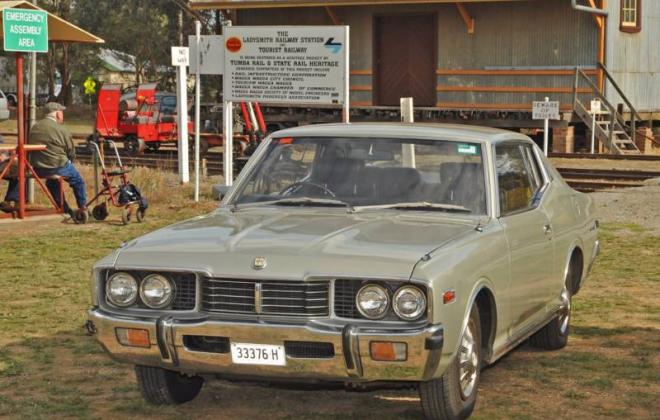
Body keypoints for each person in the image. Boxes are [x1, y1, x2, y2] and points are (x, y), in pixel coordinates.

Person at [29, 102, 87, 217]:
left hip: (38, 168)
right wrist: (70, 160)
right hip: (58, 166)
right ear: (57, 114)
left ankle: (65, 209)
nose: (62, 115)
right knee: (78, 181)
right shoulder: (61, 129)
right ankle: (83, 207)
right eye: (62, 112)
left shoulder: (34, 127)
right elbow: (71, 150)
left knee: (52, 182)